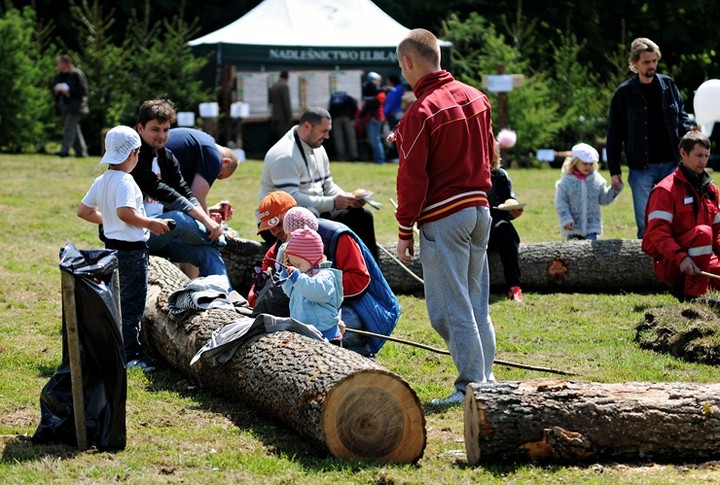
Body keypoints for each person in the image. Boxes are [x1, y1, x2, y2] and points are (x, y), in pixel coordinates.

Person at [394, 28, 496, 406]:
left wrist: (405, 229)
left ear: (409, 62)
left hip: (445, 216)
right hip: (480, 209)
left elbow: (412, 179)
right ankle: (487, 378)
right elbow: (489, 154)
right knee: (475, 301)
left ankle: (470, 386)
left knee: (448, 308)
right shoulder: (477, 97)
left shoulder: (420, 111)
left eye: (402, 67)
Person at [250, 191, 400, 357]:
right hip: (309, 308)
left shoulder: (336, 235)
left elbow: (360, 282)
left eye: (279, 224)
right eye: (271, 229)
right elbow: (260, 287)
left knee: (321, 327)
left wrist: (317, 287)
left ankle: (360, 357)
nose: (277, 232)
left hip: (361, 305)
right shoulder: (278, 249)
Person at [77, 125, 172, 368]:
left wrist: (107, 218)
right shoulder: (126, 181)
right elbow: (125, 212)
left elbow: (84, 211)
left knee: (115, 302)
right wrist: (150, 223)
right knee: (132, 305)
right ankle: (130, 356)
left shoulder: (102, 179)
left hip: (111, 250)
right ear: (132, 154)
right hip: (131, 253)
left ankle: (113, 348)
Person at [130, 99, 230, 286]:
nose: (161, 135)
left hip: (165, 235)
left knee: (208, 253)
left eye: (166, 130)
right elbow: (168, 195)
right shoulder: (133, 158)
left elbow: (186, 193)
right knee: (178, 218)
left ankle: (225, 298)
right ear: (140, 128)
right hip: (140, 235)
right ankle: (225, 242)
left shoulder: (166, 156)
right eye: (155, 129)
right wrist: (208, 222)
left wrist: (206, 218)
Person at [259, 106, 379, 261]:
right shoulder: (284, 155)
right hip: (278, 222)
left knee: (362, 217)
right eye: (324, 131)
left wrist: (348, 199)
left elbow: (327, 185)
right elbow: (291, 202)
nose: (328, 136)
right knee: (311, 219)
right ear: (307, 126)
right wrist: (334, 203)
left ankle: (372, 272)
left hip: (313, 213)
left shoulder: (317, 148)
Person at [606, 37, 693, 239]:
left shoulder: (668, 85)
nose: (651, 65)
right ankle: (646, 267)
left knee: (677, 218)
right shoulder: (624, 93)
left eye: (654, 60)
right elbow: (614, 134)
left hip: (673, 164)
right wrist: (614, 170)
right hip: (640, 168)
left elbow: (682, 117)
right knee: (646, 224)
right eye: (646, 62)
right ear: (635, 63)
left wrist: (690, 135)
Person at [642, 129, 720, 301]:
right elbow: (658, 234)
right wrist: (681, 257)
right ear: (683, 153)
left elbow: (718, 233)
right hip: (671, 261)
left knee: (705, 234)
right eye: (698, 155)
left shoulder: (712, 191)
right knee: (703, 232)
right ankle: (693, 300)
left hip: (701, 257)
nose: (703, 161)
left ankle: (699, 287)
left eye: (706, 156)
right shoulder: (665, 190)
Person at [279, 226, 344, 341]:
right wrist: (286, 273)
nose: (295, 268)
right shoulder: (303, 277)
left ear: (311, 258)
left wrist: (297, 277)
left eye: (298, 264)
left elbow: (314, 291)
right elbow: (291, 291)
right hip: (303, 330)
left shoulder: (326, 276)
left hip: (325, 332)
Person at [554, 143, 623, 240]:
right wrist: (566, 219)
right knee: (573, 253)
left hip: (592, 227)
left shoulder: (596, 180)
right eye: (585, 163)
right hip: (573, 227)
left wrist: (615, 189)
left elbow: (604, 199)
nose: (588, 167)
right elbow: (561, 203)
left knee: (590, 253)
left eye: (591, 164)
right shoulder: (565, 183)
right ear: (575, 162)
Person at [165, 127, 240, 214]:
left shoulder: (203, 141)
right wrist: (212, 226)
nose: (212, 177)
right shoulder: (214, 156)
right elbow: (197, 199)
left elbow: (187, 204)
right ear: (226, 161)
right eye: (218, 175)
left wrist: (210, 210)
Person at [488, 143, 524, 302]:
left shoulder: (500, 176)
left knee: (506, 229)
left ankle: (514, 286)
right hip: (472, 228)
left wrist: (514, 211)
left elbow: (508, 201)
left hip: (495, 228)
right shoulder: (467, 175)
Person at [51, 54, 89, 158]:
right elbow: (53, 88)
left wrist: (68, 91)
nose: (57, 65)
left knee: (69, 128)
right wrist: (57, 90)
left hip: (76, 106)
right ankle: (81, 152)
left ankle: (64, 151)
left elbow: (83, 90)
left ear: (65, 63)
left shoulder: (76, 74)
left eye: (59, 63)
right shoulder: (59, 76)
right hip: (64, 106)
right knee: (74, 129)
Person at [361, 72, 387, 164]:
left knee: (375, 140)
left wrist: (367, 101)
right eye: (376, 80)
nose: (378, 82)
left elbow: (378, 101)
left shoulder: (379, 91)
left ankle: (380, 160)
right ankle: (377, 159)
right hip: (369, 118)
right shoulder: (367, 89)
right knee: (373, 140)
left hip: (375, 118)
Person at [328, 91, 359, 161]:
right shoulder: (347, 97)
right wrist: (352, 115)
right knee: (351, 137)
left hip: (336, 119)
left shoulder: (333, 98)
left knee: (339, 139)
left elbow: (330, 109)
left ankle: (341, 157)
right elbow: (355, 105)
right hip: (348, 118)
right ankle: (354, 155)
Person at [269, 70, 292, 143]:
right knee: (283, 137)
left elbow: (270, 100)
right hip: (283, 116)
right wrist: (289, 116)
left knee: (276, 136)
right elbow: (286, 103)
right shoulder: (284, 86)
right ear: (287, 77)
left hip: (274, 115)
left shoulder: (274, 86)